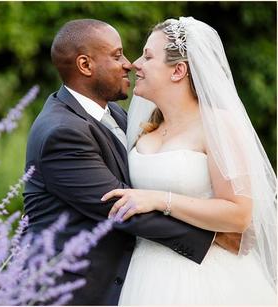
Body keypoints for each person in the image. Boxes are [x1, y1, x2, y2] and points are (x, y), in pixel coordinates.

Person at [23, 18, 217, 305]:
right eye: (117, 56)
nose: (129, 64)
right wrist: (212, 240)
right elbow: (120, 208)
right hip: (72, 292)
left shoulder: (113, 113)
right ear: (85, 66)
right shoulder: (62, 132)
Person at [101, 17, 277, 304]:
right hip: (144, 274)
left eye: (147, 56)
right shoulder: (145, 127)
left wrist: (160, 199)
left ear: (178, 70)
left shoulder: (217, 125)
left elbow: (240, 214)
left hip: (205, 278)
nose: (135, 64)